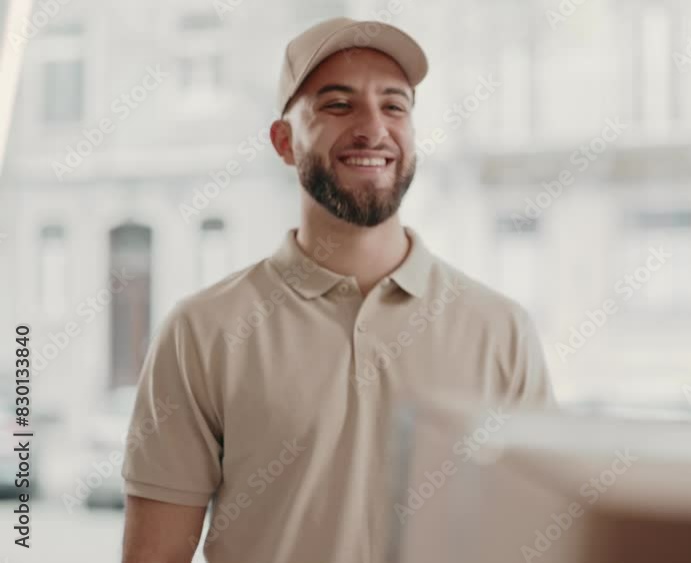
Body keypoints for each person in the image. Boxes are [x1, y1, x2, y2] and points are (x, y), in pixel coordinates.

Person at [120, 16, 555, 563]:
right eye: (338, 104)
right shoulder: (201, 332)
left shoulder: (502, 331)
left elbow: (538, 543)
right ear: (284, 142)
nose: (373, 128)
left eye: (394, 106)